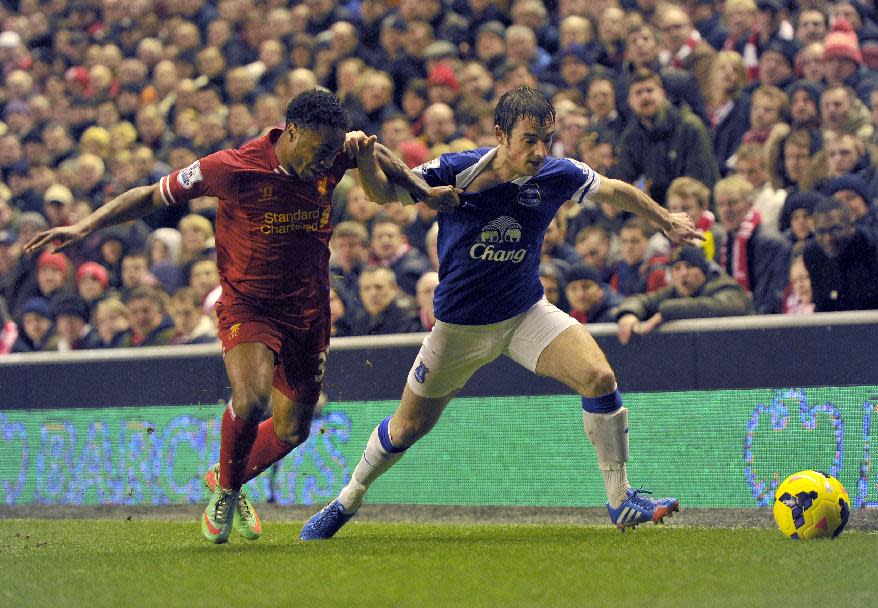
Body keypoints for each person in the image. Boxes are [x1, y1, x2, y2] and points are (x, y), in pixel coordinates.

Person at [25, 89, 459, 545]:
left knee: (293, 430)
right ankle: (228, 492)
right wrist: (86, 225)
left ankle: (224, 473)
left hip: (308, 311)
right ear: (292, 132)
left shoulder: (333, 150)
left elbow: (372, 149)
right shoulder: (231, 167)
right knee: (252, 401)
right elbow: (151, 196)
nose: (328, 161)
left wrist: (423, 189)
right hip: (248, 305)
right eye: (320, 151)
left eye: (334, 152)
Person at [300, 87, 702, 540]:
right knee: (408, 426)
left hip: (525, 314)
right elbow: (381, 195)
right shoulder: (457, 170)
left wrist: (664, 218)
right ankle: (348, 498)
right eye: (529, 139)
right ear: (500, 135)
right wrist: (367, 158)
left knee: (600, 379)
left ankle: (620, 499)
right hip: (458, 329)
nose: (540, 151)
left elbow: (613, 190)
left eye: (546, 139)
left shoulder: (556, 174)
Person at [615, 246, 754, 345]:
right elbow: (641, 300)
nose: (683, 273)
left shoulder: (723, 285)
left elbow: (724, 306)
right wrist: (628, 314)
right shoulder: (672, 292)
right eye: (677, 268)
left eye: (689, 266)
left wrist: (668, 311)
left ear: (703, 270)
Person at [802, 197, 878, 312]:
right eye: (821, 232)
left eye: (835, 230)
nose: (827, 239)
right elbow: (821, 304)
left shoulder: (871, 245)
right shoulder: (812, 253)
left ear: (851, 225)